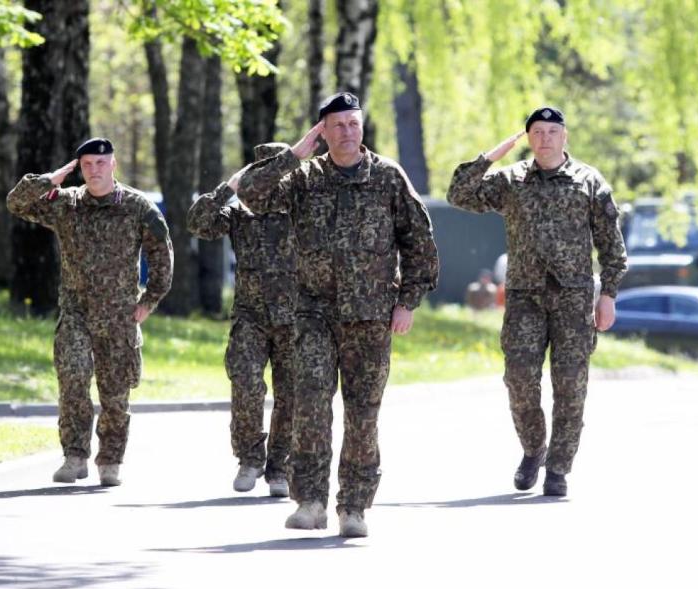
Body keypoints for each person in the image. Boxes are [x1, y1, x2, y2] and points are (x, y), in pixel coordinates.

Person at [232, 92, 439, 537]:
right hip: (312, 315)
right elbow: (249, 194)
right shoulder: (303, 178)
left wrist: (407, 301)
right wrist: (294, 154)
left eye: (353, 122)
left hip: (371, 317)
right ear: (322, 131)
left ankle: (355, 507)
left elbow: (419, 242)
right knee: (309, 407)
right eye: (337, 124)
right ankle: (309, 501)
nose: (347, 131)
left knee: (363, 413)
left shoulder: (387, 177)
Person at [447, 107, 627, 496]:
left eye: (552, 131)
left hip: (573, 298)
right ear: (528, 138)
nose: (544, 138)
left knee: (570, 385)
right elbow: (459, 194)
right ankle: (534, 449)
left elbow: (612, 246)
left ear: (564, 137)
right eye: (537, 132)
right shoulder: (512, 180)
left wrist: (608, 294)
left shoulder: (588, 181)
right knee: (520, 379)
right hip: (525, 296)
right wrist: (491, 157)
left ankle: (559, 469)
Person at [7, 137, 173, 486]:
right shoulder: (66, 204)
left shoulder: (137, 206)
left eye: (101, 163)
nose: (94, 170)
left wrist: (149, 300)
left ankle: (110, 459)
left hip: (119, 317)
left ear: (113, 164)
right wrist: (49, 180)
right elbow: (16, 203)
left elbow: (162, 254)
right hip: (76, 313)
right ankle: (75, 456)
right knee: (72, 379)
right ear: (79, 168)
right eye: (87, 165)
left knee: (114, 394)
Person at [187, 142, 297, 498]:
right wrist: (228, 189)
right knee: (246, 386)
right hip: (250, 316)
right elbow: (198, 223)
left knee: (291, 397)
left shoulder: (302, 209)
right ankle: (250, 458)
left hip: (295, 318)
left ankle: (280, 467)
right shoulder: (240, 213)